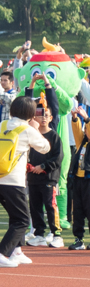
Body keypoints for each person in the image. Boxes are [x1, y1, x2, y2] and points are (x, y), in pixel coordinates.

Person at [0, 97, 51, 268]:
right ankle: (2, 252)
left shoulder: (3, 124)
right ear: (30, 114)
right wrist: (36, 129)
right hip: (13, 180)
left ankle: (17, 251)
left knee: (16, 216)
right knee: (22, 220)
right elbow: (45, 147)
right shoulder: (27, 129)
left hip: (1, 177)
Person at [65, 103, 90, 250]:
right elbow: (77, 132)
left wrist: (87, 118)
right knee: (78, 210)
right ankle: (78, 239)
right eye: (86, 129)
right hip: (78, 179)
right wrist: (75, 118)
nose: (87, 131)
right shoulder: (82, 143)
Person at [23, 96, 62, 247]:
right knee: (35, 206)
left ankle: (56, 234)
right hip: (33, 178)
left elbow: (58, 157)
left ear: (51, 117)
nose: (44, 118)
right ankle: (39, 233)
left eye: (47, 115)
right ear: (34, 116)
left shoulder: (54, 136)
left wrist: (43, 167)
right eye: (41, 114)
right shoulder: (31, 135)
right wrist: (29, 167)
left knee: (50, 205)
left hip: (48, 178)